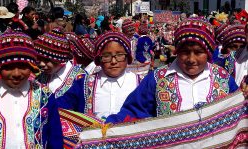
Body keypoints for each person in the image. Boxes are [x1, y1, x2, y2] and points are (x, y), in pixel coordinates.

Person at [106, 18, 239, 124]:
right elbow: (133, 112)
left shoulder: (223, 79)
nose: (191, 59)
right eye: (185, 52)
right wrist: (108, 129)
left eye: (198, 52)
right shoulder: (157, 79)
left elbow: (239, 110)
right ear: (177, 51)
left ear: (209, 53)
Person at [0, 31, 63, 148]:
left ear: (31, 66)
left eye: (23, 66)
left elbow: (55, 139)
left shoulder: (44, 95)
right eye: (8, 67)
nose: (16, 73)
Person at [57, 32, 142, 120]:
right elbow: (59, 106)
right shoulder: (84, 84)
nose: (113, 61)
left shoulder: (140, 84)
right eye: (106, 56)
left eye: (120, 55)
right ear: (99, 59)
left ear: (128, 57)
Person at [34, 28, 85, 98]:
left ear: (59, 60)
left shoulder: (81, 79)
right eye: (39, 59)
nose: (41, 64)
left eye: (46, 60)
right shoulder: (40, 78)